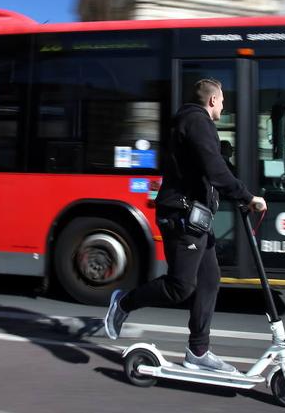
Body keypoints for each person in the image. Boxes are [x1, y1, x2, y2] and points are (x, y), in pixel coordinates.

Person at [104, 78, 266, 373]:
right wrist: (247, 196)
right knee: (181, 286)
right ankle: (125, 302)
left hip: (196, 216)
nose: (223, 107)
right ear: (214, 100)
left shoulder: (195, 123)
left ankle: (198, 351)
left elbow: (209, 169)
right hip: (182, 216)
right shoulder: (197, 121)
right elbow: (214, 169)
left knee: (209, 280)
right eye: (223, 102)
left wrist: (231, 194)